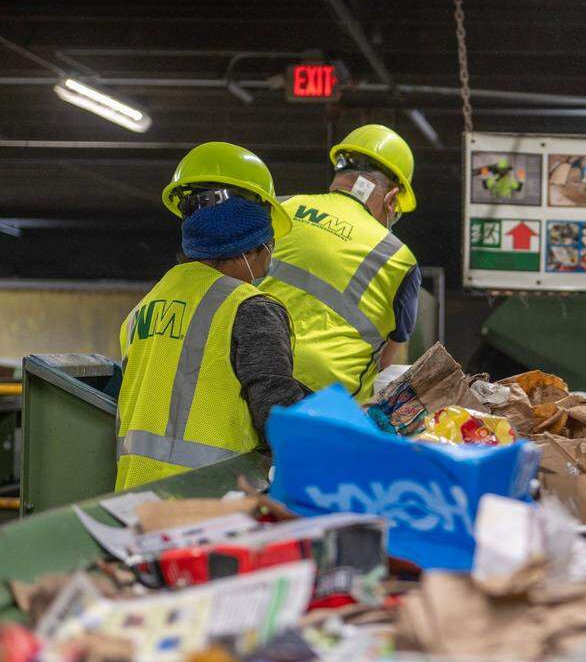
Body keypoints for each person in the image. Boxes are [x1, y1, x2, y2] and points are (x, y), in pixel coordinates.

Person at [115, 142, 309, 490]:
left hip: (133, 506)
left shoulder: (142, 310)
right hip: (208, 511)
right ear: (255, 237)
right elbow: (279, 420)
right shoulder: (251, 307)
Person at [260, 125, 420, 402]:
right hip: (325, 403)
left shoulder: (281, 208)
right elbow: (386, 362)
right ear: (392, 198)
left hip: (248, 370)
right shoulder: (399, 258)